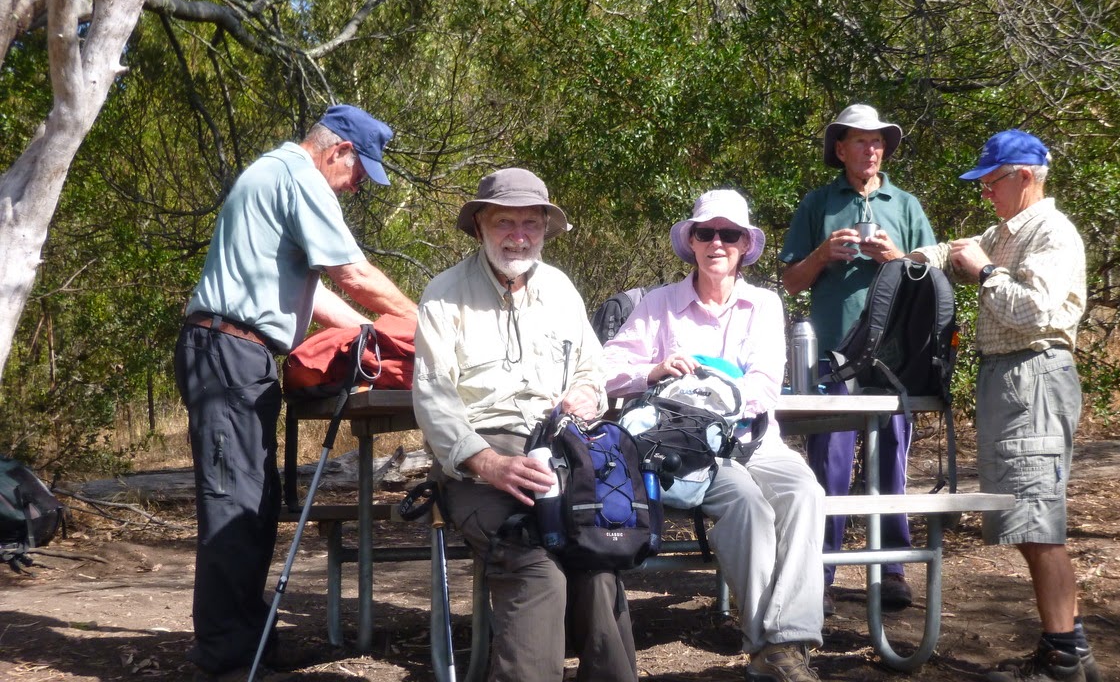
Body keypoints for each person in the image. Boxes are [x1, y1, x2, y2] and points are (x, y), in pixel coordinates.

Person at [175, 104, 418, 680]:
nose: (357, 187)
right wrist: (429, 325)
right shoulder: (298, 176)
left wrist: (378, 333)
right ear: (339, 151)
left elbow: (322, 300)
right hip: (228, 350)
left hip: (239, 353)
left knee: (255, 504)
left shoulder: (277, 175)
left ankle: (251, 645)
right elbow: (353, 275)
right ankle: (226, 660)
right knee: (234, 503)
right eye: (359, 173)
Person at [412, 168, 637, 682]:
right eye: (504, 223)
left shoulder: (560, 289)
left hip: (560, 452)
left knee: (598, 557)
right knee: (536, 566)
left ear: (545, 230)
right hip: (479, 463)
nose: (519, 236)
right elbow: (432, 397)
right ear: (479, 227)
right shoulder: (444, 295)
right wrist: (488, 463)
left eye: (531, 224)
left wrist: (588, 392)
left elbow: (592, 367)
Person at [604, 190, 826, 682]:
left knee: (805, 492)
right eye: (706, 232)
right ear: (692, 242)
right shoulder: (659, 303)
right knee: (747, 504)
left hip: (755, 438)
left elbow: (765, 383)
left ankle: (787, 638)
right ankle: (771, 649)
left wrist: (716, 398)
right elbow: (606, 368)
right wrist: (652, 370)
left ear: (746, 244)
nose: (717, 242)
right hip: (688, 449)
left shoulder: (764, 304)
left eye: (730, 234)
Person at [906, 130, 1100, 682]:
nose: (986, 193)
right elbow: (951, 252)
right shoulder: (1004, 231)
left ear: (1025, 176)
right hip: (1008, 379)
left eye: (992, 182)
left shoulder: (1052, 233)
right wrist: (903, 260)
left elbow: (1034, 310)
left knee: (1038, 524)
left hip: (1034, 374)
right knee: (1027, 520)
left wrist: (986, 272)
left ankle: (1062, 658)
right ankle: (1071, 652)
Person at [778, 104, 937, 613]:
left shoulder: (905, 206)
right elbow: (789, 281)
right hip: (831, 353)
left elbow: (932, 283)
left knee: (891, 458)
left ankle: (891, 569)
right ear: (841, 149)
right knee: (830, 463)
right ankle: (821, 572)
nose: (871, 149)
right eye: (861, 141)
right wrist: (823, 254)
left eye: (878, 141)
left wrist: (895, 260)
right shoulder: (818, 204)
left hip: (894, 357)